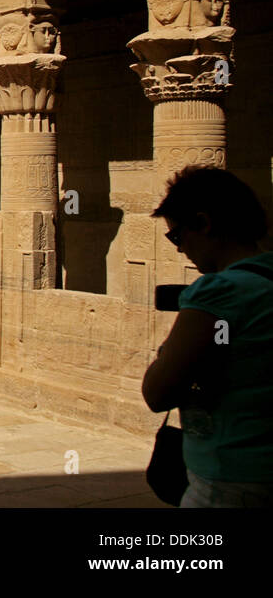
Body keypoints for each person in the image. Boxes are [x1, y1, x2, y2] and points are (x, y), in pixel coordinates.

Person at [142, 165, 273, 507]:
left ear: (204, 223)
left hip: (231, 476)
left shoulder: (219, 293)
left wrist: (169, 349)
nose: (178, 249)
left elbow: (158, 393)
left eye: (176, 236)